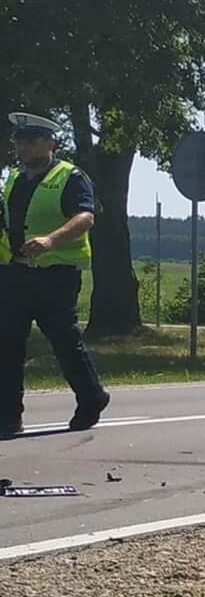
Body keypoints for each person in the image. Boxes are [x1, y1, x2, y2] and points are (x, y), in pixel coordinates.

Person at [0, 113, 111, 436]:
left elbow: (85, 218)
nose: (20, 148)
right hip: (14, 274)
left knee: (63, 340)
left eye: (28, 142)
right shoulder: (14, 179)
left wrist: (51, 240)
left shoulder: (70, 177)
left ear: (49, 143)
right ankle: (8, 416)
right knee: (7, 345)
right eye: (17, 142)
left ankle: (91, 397)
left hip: (55, 274)